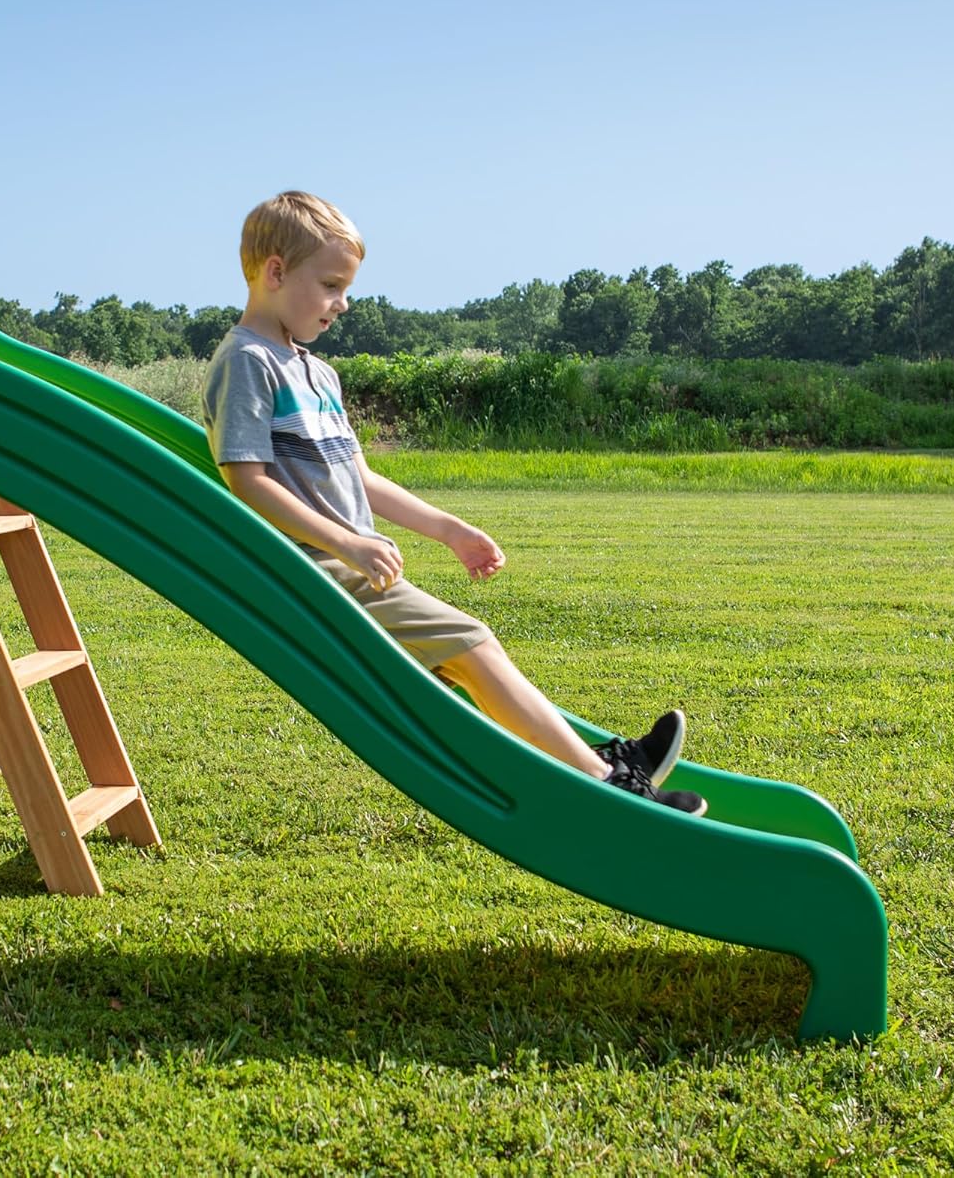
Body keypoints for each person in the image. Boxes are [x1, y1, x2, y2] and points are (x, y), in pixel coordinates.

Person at [201, 191, 707, 817]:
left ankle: (601, 764)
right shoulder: (248, 363)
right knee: (472, 640)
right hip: (313, 572)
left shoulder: (317, 374)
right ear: (276, 272)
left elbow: (360, 478)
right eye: (331, 286)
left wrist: (449, 529)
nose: (343, 304)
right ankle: (610, 783)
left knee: (470, 653)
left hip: (348, 566)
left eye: (347, 288)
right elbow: (247, 480)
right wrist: (347, 543)